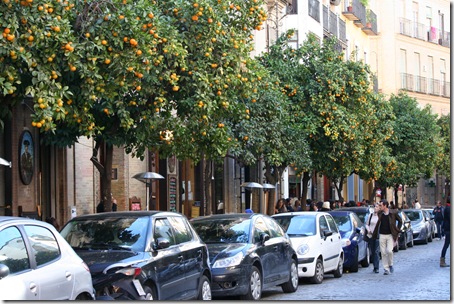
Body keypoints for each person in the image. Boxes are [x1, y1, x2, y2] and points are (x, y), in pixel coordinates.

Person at [372, 199, 402, 275]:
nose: (380, 207)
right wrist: (378, 205)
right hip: (382, 235)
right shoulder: (380, 213)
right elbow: (376, 211)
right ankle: (386, 269)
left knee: (389, 251)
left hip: (390, 235)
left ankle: (390, 264)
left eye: (381, 205)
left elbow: (400, 221)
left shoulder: (393, 213)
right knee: (383, 252)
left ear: (385, 205)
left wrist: (397, 230)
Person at [366, 203, 380, 273]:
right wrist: (368, 230)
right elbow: (367, 224)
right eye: (375, 207)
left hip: (378, 236)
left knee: (376, 251)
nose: (375, 208)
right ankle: (375, 266)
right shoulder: (370, 215)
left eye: (377, 207)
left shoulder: (380, 216)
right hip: (371, 235)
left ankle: (377, 267)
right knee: (372, 251)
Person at [440, 202, 450, 267]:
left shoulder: (446, 208)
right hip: (449, 229)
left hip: (447, 229)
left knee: (446, 245)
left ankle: (442, 261)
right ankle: (442, 261)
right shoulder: (449, 208)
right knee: (446, 245)